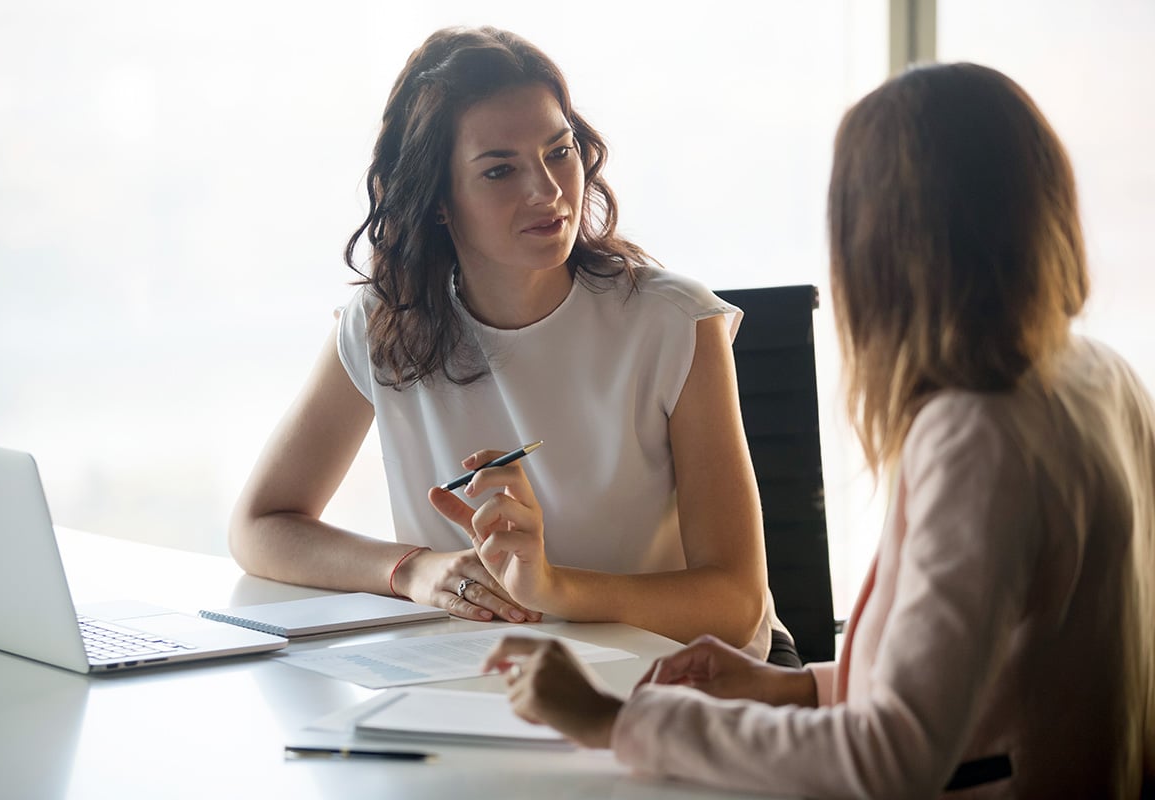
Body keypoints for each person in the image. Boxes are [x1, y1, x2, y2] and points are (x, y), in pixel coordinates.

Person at [483, 62, 1155, 798]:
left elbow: (886, 760)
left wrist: (613, 721)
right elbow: (1002, 688)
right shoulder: (1099, 376)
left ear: (880, 243)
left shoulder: (977, 436)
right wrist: (798, 690)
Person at [228, 25, 795, 660]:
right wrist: (414, 570)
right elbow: (261, 526)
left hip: (693, 675)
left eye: (560, 152)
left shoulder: (673, 321)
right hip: (489, 677)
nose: (550, 192)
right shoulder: (385, 323)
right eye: (501, 170)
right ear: (438, 199)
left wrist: (552, 587)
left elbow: (736, 601)